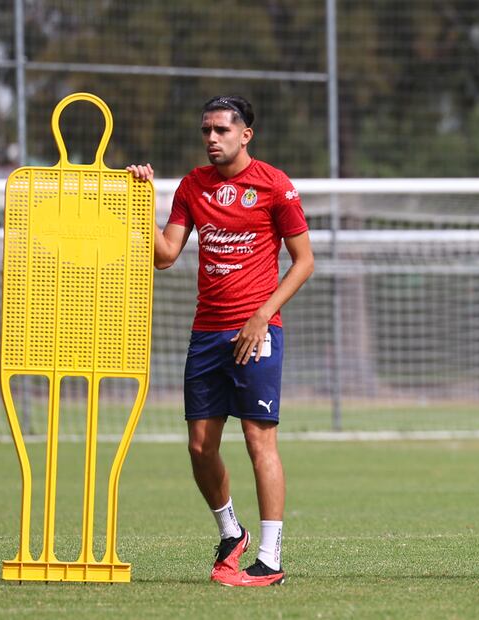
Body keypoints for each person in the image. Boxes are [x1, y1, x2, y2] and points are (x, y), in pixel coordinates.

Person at [128, 95, 314, 587]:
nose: (211, 139)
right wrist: (140, 201)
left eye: (221, 131)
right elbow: (165, 254)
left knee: (259, 439)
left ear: (245, 135)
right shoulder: (192, 185)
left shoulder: (274, 186)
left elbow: (305, 261)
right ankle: (232, 533)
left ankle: (271, 558)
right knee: (198, 447)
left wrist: (262, 315)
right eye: (206, 130)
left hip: (258, 332)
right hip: (207, 334)